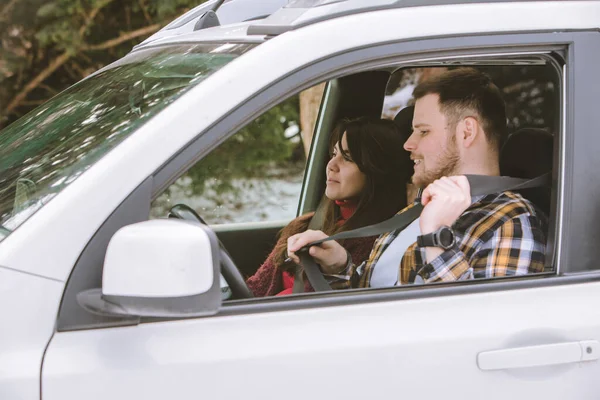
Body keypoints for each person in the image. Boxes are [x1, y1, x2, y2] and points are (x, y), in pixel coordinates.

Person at [287, 68, 547, 288]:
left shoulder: (511, 220)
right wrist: (340, 265)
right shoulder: (416, 209)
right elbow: (382, 294)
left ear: (467, 132)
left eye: (423, 132)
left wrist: (436, 237)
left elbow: (478, 330)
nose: (408, 144)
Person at [247, 116, 412, 296]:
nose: (332, 165)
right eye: (334, 154)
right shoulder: (303, 226)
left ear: (377, 170)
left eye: (348, 158)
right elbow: (254, 290)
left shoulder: (381, 245)